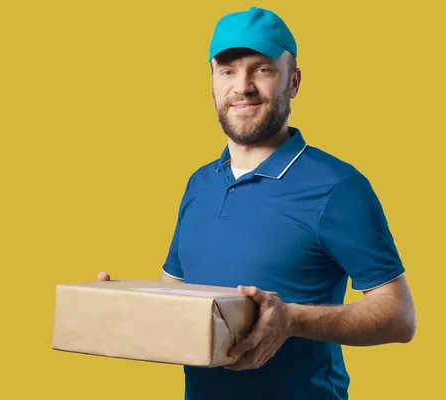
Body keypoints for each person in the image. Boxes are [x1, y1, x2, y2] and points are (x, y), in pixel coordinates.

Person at [98, 6, 416, 400]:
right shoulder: (200, 183)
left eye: (261, 69)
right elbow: (176, 292)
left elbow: (400, 317)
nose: (242, 86)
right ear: (213, 82)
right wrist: (121, 304)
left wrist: (293, 319)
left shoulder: (338, 186)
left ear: (294, 81)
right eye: (227, 71)